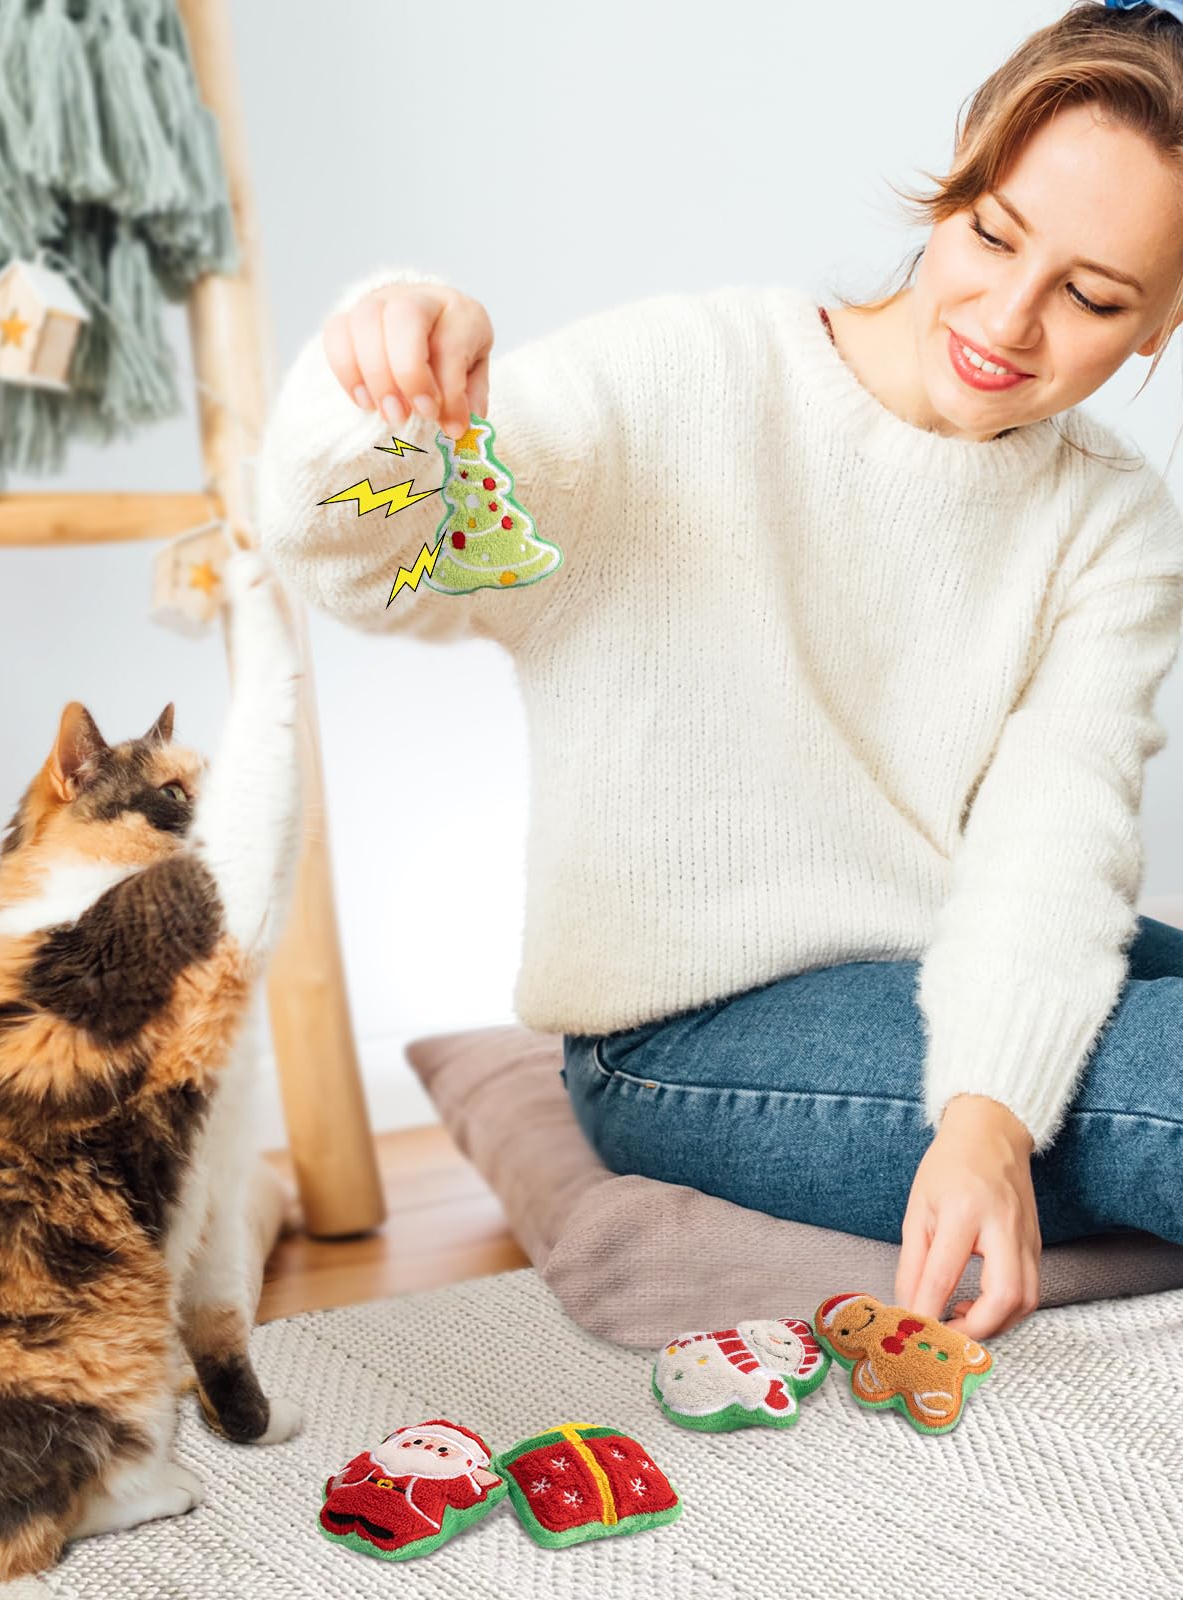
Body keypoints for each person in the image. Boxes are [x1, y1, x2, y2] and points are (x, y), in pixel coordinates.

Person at [253, 0, 1183, 1346]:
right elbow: (353, 547)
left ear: (1161, 321)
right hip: (686, 1036)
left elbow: (1060, 832)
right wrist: (381, 381)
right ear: (957, 179)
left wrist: (992, 1117)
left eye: (1093, 297)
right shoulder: (683, 381)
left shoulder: (1113, 517)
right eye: (992, 235)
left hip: (944, 955)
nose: (1009, 316)